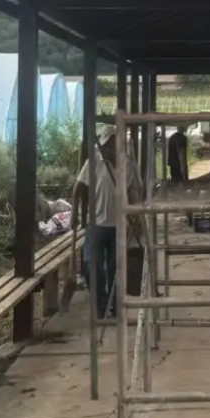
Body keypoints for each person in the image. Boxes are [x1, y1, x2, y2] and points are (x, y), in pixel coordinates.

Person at [72, 128, 142, 319]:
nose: (106, 149)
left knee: (115, 267)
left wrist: (136, 215)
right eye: (104, 146)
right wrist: (74, 214)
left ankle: (115, 305)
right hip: (96, 223)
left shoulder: (127, 164)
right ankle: (101, 303)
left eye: (109, 145)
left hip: (119, 225)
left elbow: (133, 191)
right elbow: (78, 188)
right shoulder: (94, 161)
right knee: (91, 265)